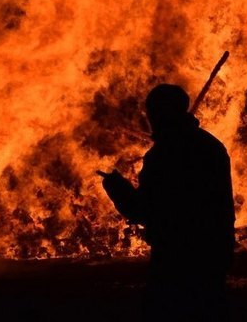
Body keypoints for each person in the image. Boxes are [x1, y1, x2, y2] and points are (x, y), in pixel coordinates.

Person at [100, 83, 235, 321]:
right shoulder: (211, 146)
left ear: (158, 114)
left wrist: (117, 188)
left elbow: (144, 209)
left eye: (152, 112)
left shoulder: (164, 155)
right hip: (214, 249)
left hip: (176, 254)